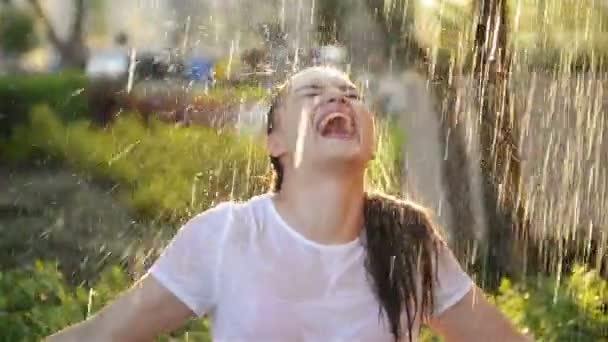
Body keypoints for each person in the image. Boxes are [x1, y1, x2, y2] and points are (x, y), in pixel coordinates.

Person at [47, 67, 530, 342]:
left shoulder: (409, 241)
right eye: (312, 93)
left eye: (350, 95)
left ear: (372, 140)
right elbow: (100, 336)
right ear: (274, 141)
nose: (336, 100)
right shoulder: (226, 236)